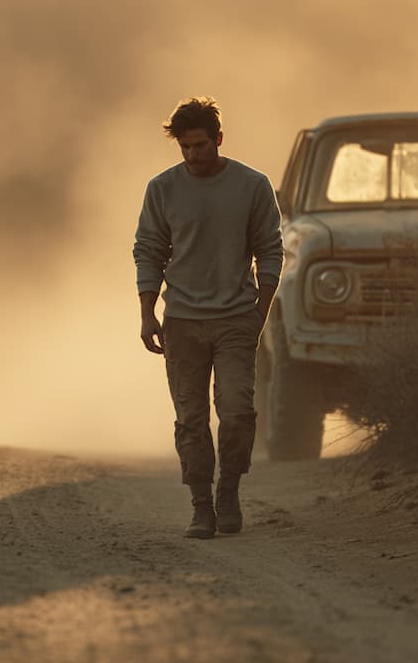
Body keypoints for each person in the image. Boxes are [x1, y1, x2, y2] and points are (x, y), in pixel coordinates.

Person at [132, 97, 283, 539]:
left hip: (237, 317)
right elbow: (149, 251)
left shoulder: (253, 185)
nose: (193, 156)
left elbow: (270, 249)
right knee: (191, 419)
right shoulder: (162, 189)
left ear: (218, 139)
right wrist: (147, 313)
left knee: (236, 411)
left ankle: (229, 490)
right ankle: (201, 505)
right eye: (185, 148)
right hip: (181, 319)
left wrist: (261, 312)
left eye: (200, 146)